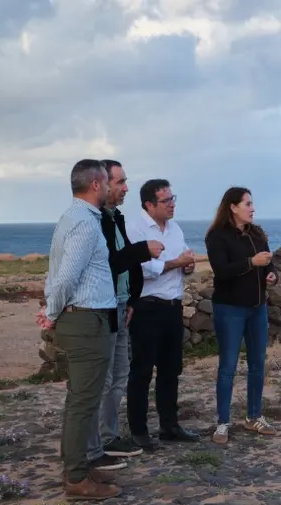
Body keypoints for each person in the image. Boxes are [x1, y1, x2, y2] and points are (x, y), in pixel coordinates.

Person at [37, 160, 150, 499]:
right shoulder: (85, 223)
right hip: (87, 321)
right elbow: (65, 278)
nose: (117, 188)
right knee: (83, 401)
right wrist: (51, 312)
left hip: (89, 319)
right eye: (109, 181)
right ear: (97, 185)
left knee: (81, 399)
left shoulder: (74, 217)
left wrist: (52, 308)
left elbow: (57, 272)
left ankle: (79, 466)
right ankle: (75, 478)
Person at [86, 160, 165, 469]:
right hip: (102, 307)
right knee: (103, 379)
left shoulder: (115, 217)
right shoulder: (94, 221)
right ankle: (93, 445)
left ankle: (109, 437)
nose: (125, 188)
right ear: (101, 184)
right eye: (119, 182)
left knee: (119, 376)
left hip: (120, 305)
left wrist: (131, 298)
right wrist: (143, 249)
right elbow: (109, 263)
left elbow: (125, 264)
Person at [125, 179, 199, 449]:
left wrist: (187, 266)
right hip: (147, 307)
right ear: (149, 204)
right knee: (142, 371)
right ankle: (139, 431)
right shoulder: (134, 228)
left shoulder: (175, 228)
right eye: (166, 200)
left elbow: (181, 260)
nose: (172, 204)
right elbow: (140, 268)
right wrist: (177, 263)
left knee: (171, 369)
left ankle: (169, 426)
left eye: (172, 198)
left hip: (172, 306)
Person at [203, 187, 278, 445]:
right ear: (233, 207)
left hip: (257, 307)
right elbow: (221, 271)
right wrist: (251, 263)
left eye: (252, 203)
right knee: (228, 366)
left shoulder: (257, 233)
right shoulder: (217, 236)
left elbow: (268, 262)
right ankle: (222, 422)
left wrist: (272, 273)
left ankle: (254, 416)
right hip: (230, 309)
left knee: (257, 363)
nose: (252, 208)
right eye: (247, 204)